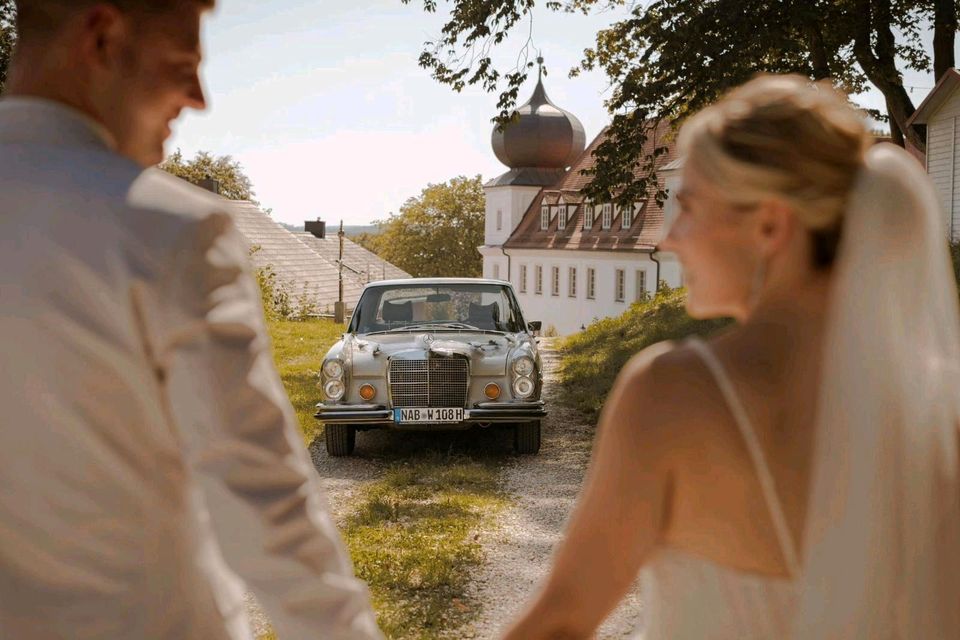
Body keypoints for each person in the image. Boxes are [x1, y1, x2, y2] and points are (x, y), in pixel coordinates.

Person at [501, 75, 960, 639]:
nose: (668, 238)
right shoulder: (942, 409)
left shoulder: (674, 393)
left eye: (688, 205)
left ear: (769, 225)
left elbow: (561, 624)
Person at [0, 2, 382, 638]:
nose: (199, 98)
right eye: (183, 65)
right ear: (100, 37)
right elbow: (264, 503)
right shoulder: (170, 230)